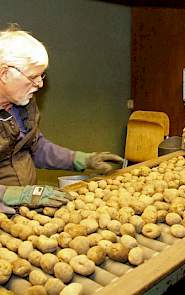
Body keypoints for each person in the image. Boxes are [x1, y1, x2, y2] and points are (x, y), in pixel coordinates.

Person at [0, 26, 123, 213]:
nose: (40, 84)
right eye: (33, 77)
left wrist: (83, 160)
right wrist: (11, 195)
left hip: (26, 209)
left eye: (41, 76)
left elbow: (35, 147)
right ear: (4, 73)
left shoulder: (23, 105)